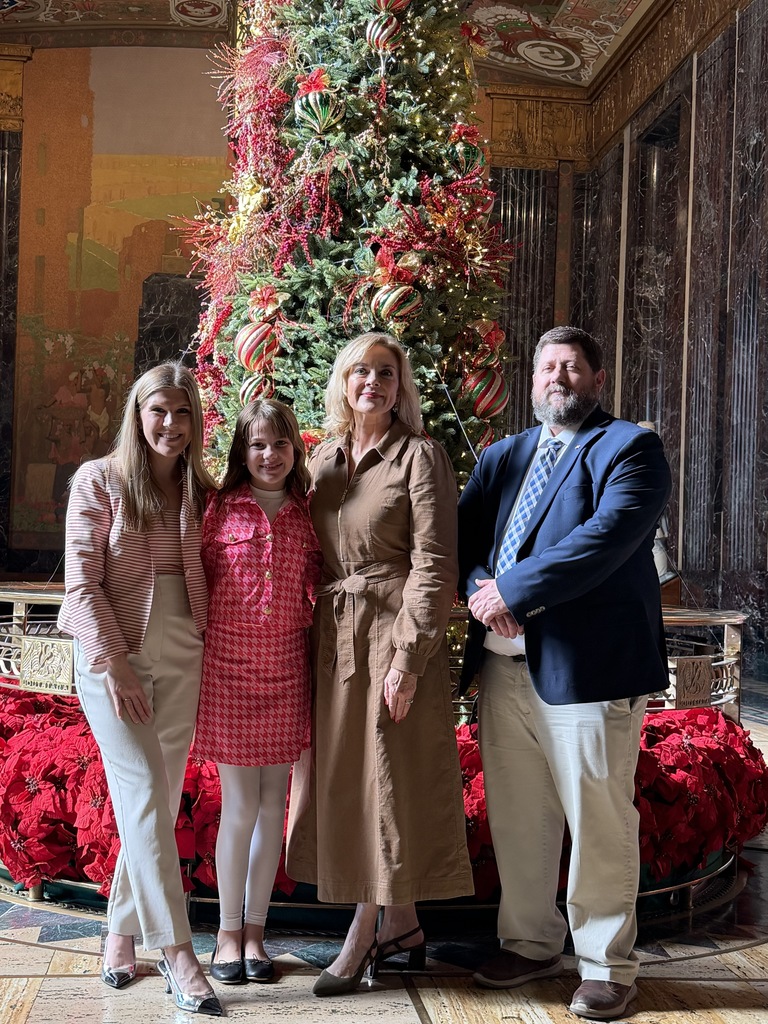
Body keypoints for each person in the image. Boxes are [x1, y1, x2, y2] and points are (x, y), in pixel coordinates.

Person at [457, 326, 672, 1022]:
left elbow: (605, 538)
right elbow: (460, 543)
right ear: (533, 381)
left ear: (597, 377)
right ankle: (529, 943)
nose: (559, 377)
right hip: (503, 668)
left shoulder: (629, 449)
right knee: (520, 818)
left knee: (599, 819)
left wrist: (512, 589)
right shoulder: (503, 455)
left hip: (590, 670)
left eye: (572, 367)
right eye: (547, 366)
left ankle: (607, 965)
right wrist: (479, 589)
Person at [287, 331, 473, 997]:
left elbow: (435, 564)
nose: (373, 383)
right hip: (335, 636)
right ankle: (405, 927)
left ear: (401, 386)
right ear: (342, 382)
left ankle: (364, 930)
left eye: (386, 373)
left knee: (385, 782)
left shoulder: (420, 456)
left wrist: (408, 658)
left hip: (392, 634)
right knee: (351, 781)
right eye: (360, 372)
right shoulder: (325, 460)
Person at [57, 362, 222, 1017]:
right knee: (146, 796)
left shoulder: (197, 487)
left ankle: (121, 935)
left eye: (183, 413)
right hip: (115, 656)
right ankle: (179, 954)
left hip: (184, 648)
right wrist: (115, 664)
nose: (171, 425)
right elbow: (81, 583)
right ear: (137, 413)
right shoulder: (98, 480)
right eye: (159, 411)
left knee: (152, 799)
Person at [193, 399, 322, 985]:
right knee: (240, 806)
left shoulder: (309, 512)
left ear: (295, 449)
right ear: (243, 452)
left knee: (275, 807)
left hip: (286, 669)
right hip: (228, 670)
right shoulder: (218, 507)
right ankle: (224, 933)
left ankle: (255, 933)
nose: (270, 455)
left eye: (280, 444)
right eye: (258, 445)